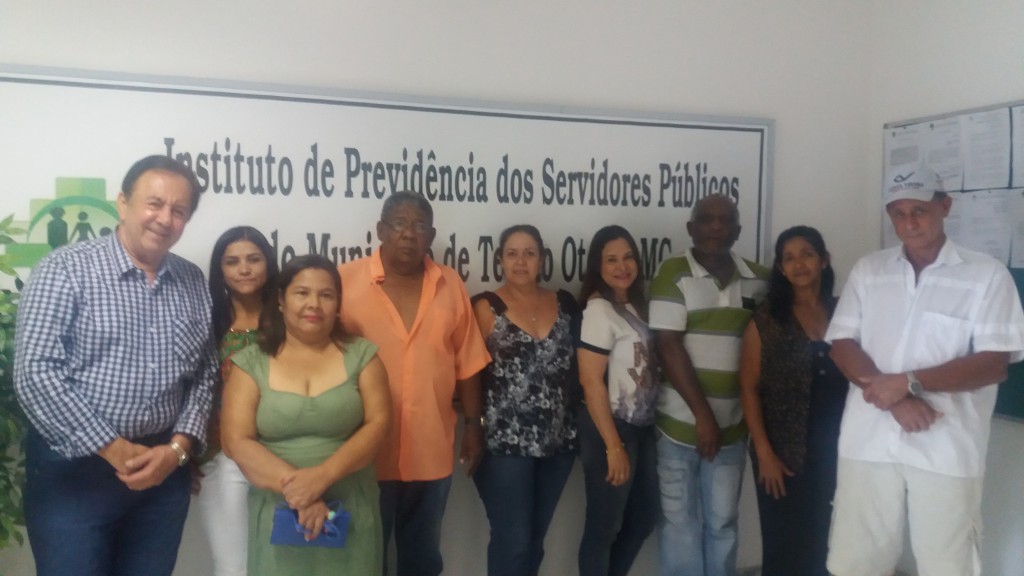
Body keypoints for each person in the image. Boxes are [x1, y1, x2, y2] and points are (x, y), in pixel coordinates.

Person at [14, 155, 217, 576]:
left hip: (162, 472)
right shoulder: (64, 269)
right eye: (154, 203)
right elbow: (35, 372)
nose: (165, 219)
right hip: (74, 472)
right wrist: (113, 448)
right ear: (123, 203)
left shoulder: (192, 280)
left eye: (179, 211)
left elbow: (204, 373)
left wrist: (178, 449)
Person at [825, 165, 1024, 576]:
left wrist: (909, 383)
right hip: (868, 442)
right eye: (899, 213)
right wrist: (897, 400)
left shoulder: (986, 275)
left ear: (944, 206)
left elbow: (994, 363)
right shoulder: (869, 270)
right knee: (855, 562)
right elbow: (842, 344)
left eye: (919, 210)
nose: (910, 223)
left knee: (947, 564)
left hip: (946, 446)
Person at [338, 191, 490, 576]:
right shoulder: (344, 282)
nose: (409, 233)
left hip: (430, 449)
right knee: (363, 559)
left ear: (431, 235)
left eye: (420, 225)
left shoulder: (449, 284)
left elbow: (468, 362)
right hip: (363, 452)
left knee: (422, 559)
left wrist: (474, 425)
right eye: (399, 223)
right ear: (380, 230)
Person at [221, 254, 390, 575]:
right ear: (281, 300)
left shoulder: (363, 356)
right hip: (278, 510)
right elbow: (236, 441)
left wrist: (322, 477)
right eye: (302, 293)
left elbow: (378, 426)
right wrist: (302, 495)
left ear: (338, 304)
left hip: (349, 508)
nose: (314, 303)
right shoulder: (251, 362)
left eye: (326, 295)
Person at [649, 194, 769, 576]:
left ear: (738, 230)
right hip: (678, 427)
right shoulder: (672, 273)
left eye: (725, 220)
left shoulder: (760, 280)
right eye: (706, 219)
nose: (716, 226)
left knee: (722, 524)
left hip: (732, 428)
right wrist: (703, 417)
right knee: (680, 526)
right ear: (691, 228)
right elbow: (668, 346)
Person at [471, 224, 580, 576]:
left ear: (542, 260)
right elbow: (468, 372)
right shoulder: (486, 307)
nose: (521, 261)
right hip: (504, 444)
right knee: (513, 541)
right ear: (500, 260)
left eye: (529, 253)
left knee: (534, 540)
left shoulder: (565, 304)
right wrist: (472, 428)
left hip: (558, 441)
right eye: (512, 254)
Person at [737, 225, 846, 576]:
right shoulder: (768, 319)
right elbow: (749, 387)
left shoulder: (844, 312)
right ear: (781, 268)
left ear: (824, 260)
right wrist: (765, 454)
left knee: (831, 541)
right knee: (786, 545)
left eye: (807, 254)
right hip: (782, 452)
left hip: (838, 449)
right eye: (789, 258)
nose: (799, 264)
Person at [576, 225, 660, 576]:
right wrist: (613, 445)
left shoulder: (639, 305)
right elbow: (590, 380)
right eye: (611, 260)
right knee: (604, 526)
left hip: (643, 426)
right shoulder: (599, 310)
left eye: (627, 257)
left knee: (645, 516)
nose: (621, 266)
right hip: (610, 428)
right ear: (598, 266)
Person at [195, 226, 278, 576]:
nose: (244, 269)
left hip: (282, 456)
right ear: (220, 269)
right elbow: (192, 391)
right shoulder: (206, 321)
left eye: (253, 259)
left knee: (281, 564)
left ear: (268, 263)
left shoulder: (287, 319)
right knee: (234, 567)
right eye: (232, 262)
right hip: (222, 457)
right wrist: (187, 454)